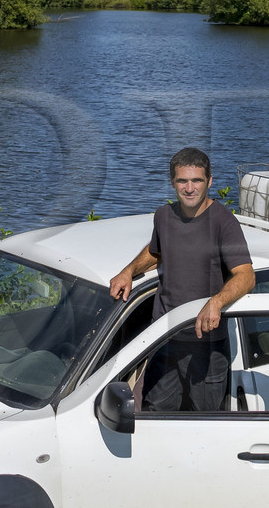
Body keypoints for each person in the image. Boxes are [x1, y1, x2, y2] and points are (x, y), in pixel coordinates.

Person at [109, 147, 255, 411]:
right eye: (182, 181)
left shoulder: (224, 222)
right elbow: (157, 252)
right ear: (173, 182)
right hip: (164, 338)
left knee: (203, 419)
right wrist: (128, 271)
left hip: (206, 344)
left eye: (197, 180)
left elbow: (246, 275)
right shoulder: (163, 216)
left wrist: (216, 301)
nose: (190, 188)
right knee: (154, 412)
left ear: (209, 181)